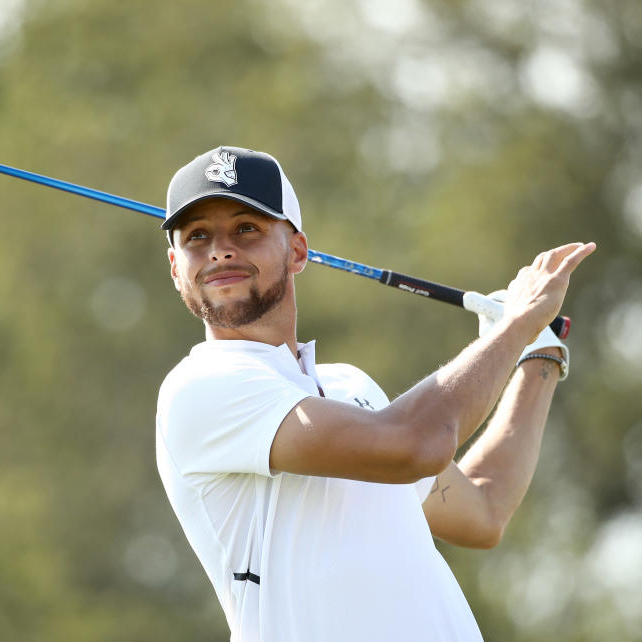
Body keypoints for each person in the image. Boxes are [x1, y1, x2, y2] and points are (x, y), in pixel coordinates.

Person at [155, 146, 595, 641]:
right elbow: (418, 443)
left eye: (246, 229)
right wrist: (512, 327)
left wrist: (537, 354)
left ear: (298, 251)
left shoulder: (351, 388)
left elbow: (484, 511)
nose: (220, 250)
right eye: (197, 237)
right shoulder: (201, 388)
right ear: (176, 267)